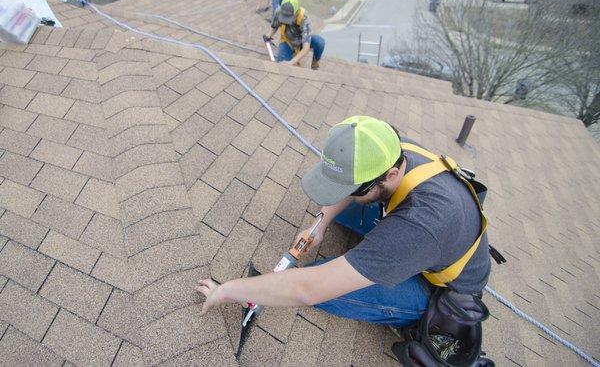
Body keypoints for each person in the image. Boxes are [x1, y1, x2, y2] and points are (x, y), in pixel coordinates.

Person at [196, 115, 491, 330]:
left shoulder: (420, 224)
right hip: (430, 230)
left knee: (320, 285)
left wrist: (228, 290)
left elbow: (308, 289)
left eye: (353, 188)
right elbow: (351, 183)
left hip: (438, 288)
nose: (344, 194)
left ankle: (410, 305)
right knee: (346, 210)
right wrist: (320, 224)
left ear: (390, 175)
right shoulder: (385, 145)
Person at [263, 0, 325, 70]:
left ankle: (315, 65)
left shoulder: (304, 18)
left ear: (296, 12)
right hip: (287, 41)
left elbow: (306, 47)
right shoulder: (279, 11)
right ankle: (291, 53)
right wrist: (269, 35)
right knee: (281, 63)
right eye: (284, 16)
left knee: (320, 42)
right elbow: (275, 26)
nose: (286, 19)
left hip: (301, 41)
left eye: (288, 17)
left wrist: (291, 62)